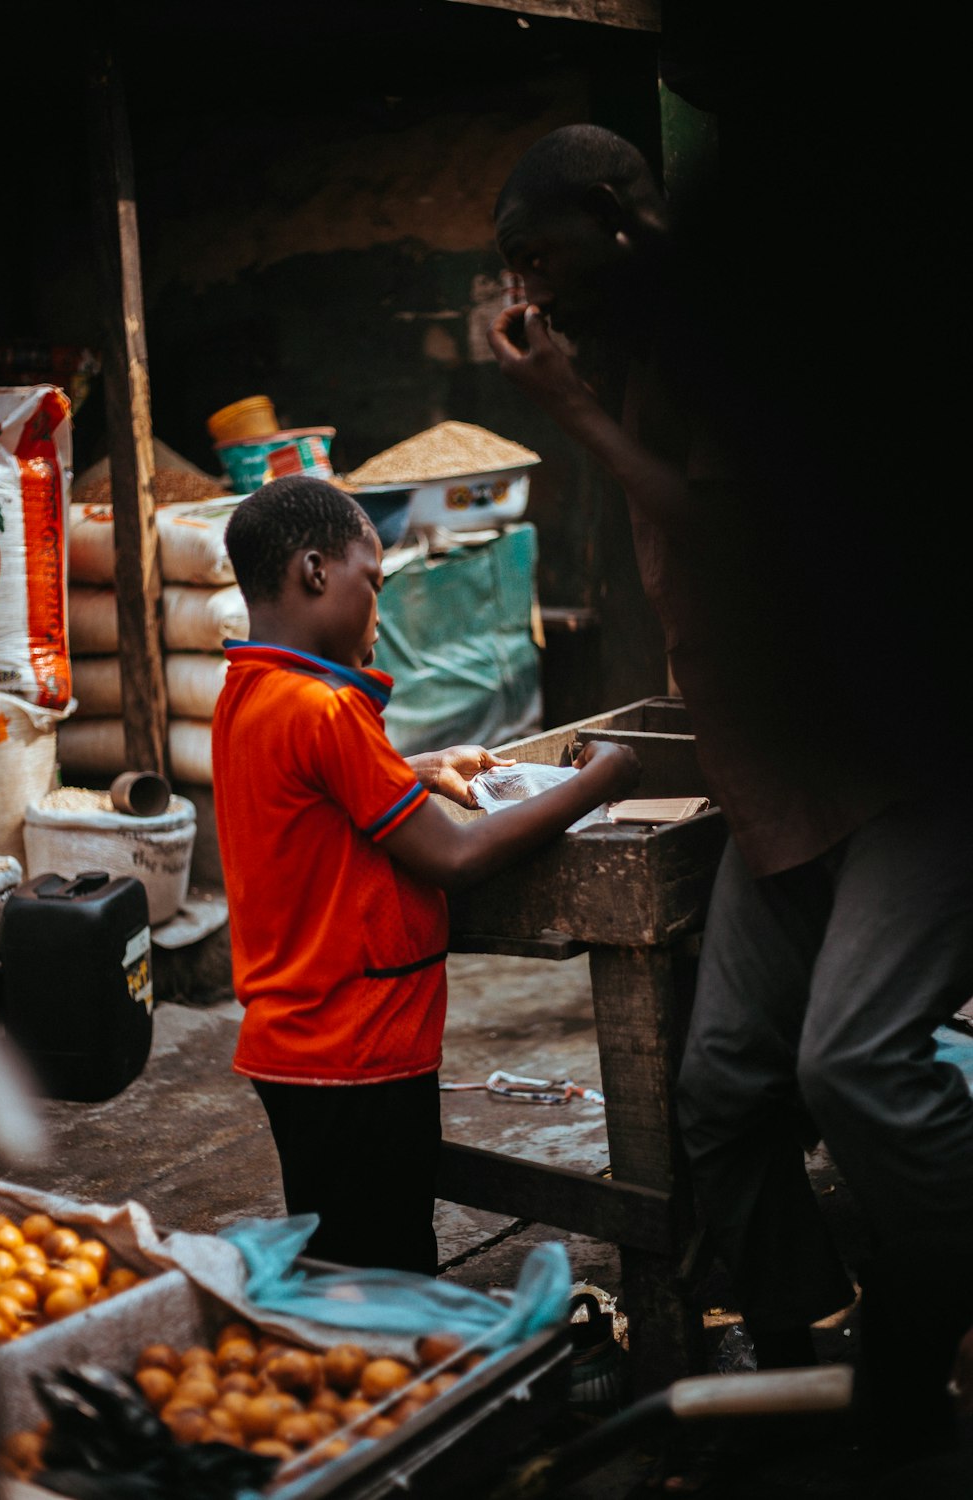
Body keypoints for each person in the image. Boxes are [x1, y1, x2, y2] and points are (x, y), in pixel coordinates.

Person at [486, 120, 973, 1471]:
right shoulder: (645, 348)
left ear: (614, 212)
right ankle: (800, 1355)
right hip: (785, 789)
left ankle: (924, 1331)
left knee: (857, 1063)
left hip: (905, 774)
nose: (531, 293)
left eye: (543, 256)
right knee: (720, 1092)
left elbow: (746, 539)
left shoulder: (744, 330)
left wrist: (569, 414)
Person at [212, 474, 639, 1277]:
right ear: (314, 573)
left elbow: (311, 801)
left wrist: (418, 766)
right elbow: (454, 855)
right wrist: (599, 779)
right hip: (359, 1045)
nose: (377, 607)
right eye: (371, 582)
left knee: (336, 1257)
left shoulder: (248, 695)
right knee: (386, 1268)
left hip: (291, 1047)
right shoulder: (328, 708)